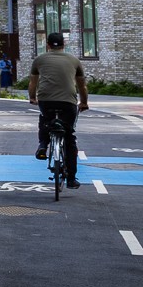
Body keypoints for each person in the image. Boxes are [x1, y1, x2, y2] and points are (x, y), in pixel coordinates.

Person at [27, 30, 89, 188]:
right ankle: (71, 179)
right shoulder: (74, 60)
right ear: (64, 44)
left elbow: (33, 83)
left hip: (46, 101)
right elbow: (82, 85)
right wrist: (83, 102)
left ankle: (42, 145)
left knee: (45, 121)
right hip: (68, 102)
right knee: (69, 137)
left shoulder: (39, 60)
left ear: (47, 45)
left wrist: (33, 98)